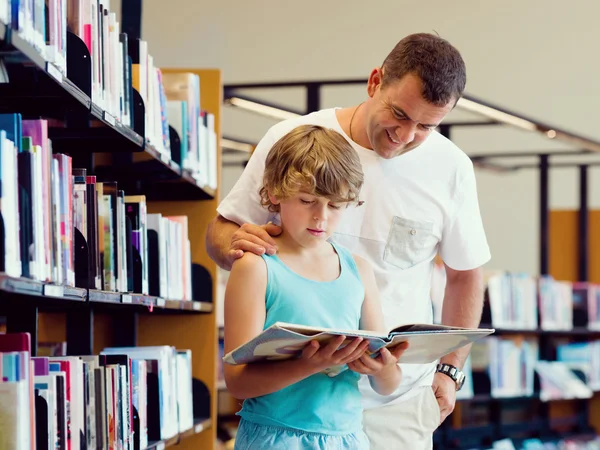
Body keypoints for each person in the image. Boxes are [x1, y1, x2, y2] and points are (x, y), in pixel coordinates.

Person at [209, 32, 491, 449]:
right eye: (399, 113)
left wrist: (449, 371)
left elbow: (466, 276)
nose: (406, 134)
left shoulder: (451, 168)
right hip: (289, 401)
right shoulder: (294, 140)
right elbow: (221, 233)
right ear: (375, 81)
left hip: (395, 397)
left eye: (426, 126)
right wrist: (239, 244)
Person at [223, 124, 408, 449]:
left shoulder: (359, 270)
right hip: (274, 439)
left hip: (348, 439)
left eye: (335, 205)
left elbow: (387, 385)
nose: (321, 217)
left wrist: (384, 367)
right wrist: (311, 364)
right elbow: (237, 383)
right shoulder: (256, 267)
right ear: (276, 191)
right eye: (307, 200)